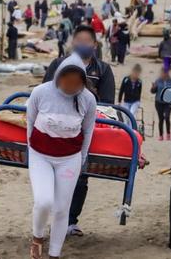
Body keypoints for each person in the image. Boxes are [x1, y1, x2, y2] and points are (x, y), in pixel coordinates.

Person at [43, 26, 115, 237]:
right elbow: (44, 92)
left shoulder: (103, 70)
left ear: (94, 45)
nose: (82, 44)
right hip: (55, 126)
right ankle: (54, 216)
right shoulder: (58, 65)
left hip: (84, 130)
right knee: (53, 175)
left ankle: (70, 221)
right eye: (78, 40)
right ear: (72, 43)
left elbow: (108, 105)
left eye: (87, 41)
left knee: (79, 176)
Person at [27, 53, 97, 259]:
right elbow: (29, 123)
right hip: (40, 154)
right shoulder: (40, 92)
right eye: (67, 80)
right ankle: (37, 237)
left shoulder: (88, 100)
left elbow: (88, 132)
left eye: (77, 82)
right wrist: (30, 151)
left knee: (61, 208)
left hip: (69, 158)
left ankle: (54, 254)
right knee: (43, 201)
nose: (70, 86)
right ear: (58, 77)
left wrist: (81, 159)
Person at [151, 68, 171, 141]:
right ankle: (161, 135)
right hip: (159, 102)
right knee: (161, 118)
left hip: (168, 103)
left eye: (165, 73)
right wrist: (153, 87)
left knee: (167, 117)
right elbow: (153, 91)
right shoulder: (158, 80)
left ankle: (168, 134)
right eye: (162, 73)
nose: (164, 74)